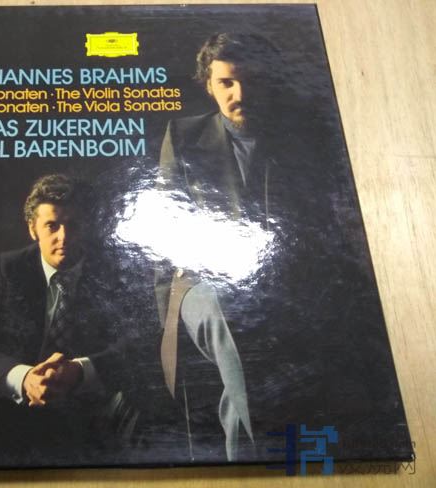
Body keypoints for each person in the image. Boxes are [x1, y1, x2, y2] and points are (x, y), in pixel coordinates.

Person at [156, 32, 386, 462]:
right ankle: (275, 458)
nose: (239, 94)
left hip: (284, 283)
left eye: (250, 81)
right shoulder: (183, 135)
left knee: (277, 352)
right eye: (226, 83)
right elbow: (165, 236)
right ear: (209, 86)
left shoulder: (304, 139)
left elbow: (326, 230)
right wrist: (165, 322)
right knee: (224, 307)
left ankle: (248, 461)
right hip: (201, 289)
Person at [0, 174, 156, 467]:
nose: (63, 237)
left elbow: (140, 347)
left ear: (86, 226)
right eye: (52, 225)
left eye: (73, 225)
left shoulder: (115, 268)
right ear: (33, 229)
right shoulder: (8, 269)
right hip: (19, 408)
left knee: (143, 397)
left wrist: (79, 371)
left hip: (91, 411)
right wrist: (25, 378)